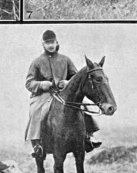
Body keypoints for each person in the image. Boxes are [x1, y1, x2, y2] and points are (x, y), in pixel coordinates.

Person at [25, 30, 101, 159]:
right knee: (39, 111)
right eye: (47, 43)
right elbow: (29, 83)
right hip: (44, 95)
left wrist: (67, 82)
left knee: (82, 107)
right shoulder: (37, 62)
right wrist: (42, 84)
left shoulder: (65, 60)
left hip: (64, 94)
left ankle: (88, 136)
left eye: (52, 42)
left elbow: (76, 78)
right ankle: (38, 144)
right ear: (43, 44)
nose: (50, 45)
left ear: (56, 43)